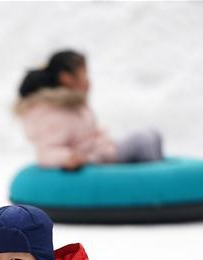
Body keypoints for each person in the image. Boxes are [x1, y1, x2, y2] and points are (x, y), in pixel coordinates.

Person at [15, 49, 164, 170]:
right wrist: (67, 158)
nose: (88, 80)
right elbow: (47, 150)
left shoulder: (71, 106)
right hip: (95, 158)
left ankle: (156, 182)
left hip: (103, 152)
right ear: (66, 78)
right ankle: (154, 185)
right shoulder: (53, 112)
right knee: (142, 140)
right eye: (84, 73)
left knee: (152, 135)